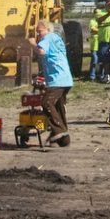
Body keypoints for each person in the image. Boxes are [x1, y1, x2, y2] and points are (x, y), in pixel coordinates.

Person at [33, 19, 73, 147]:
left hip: (57, 79)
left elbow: (41, 51)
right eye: (37, 33)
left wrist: (32, 44)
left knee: (47, 103)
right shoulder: (57, 39)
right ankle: (63, 139)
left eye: (40, 32)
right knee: (58, 106)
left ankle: (59, 130)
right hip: (65, 78)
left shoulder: (48, 38)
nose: (38, 35)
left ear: (48, 30)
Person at [89, 0, 110, 82]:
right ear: (105, 4)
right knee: (105, 59)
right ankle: (106, 76)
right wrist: (108, 14)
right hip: (104, 40)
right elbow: (99, 20)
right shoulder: (100, 12)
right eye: (108, 4)